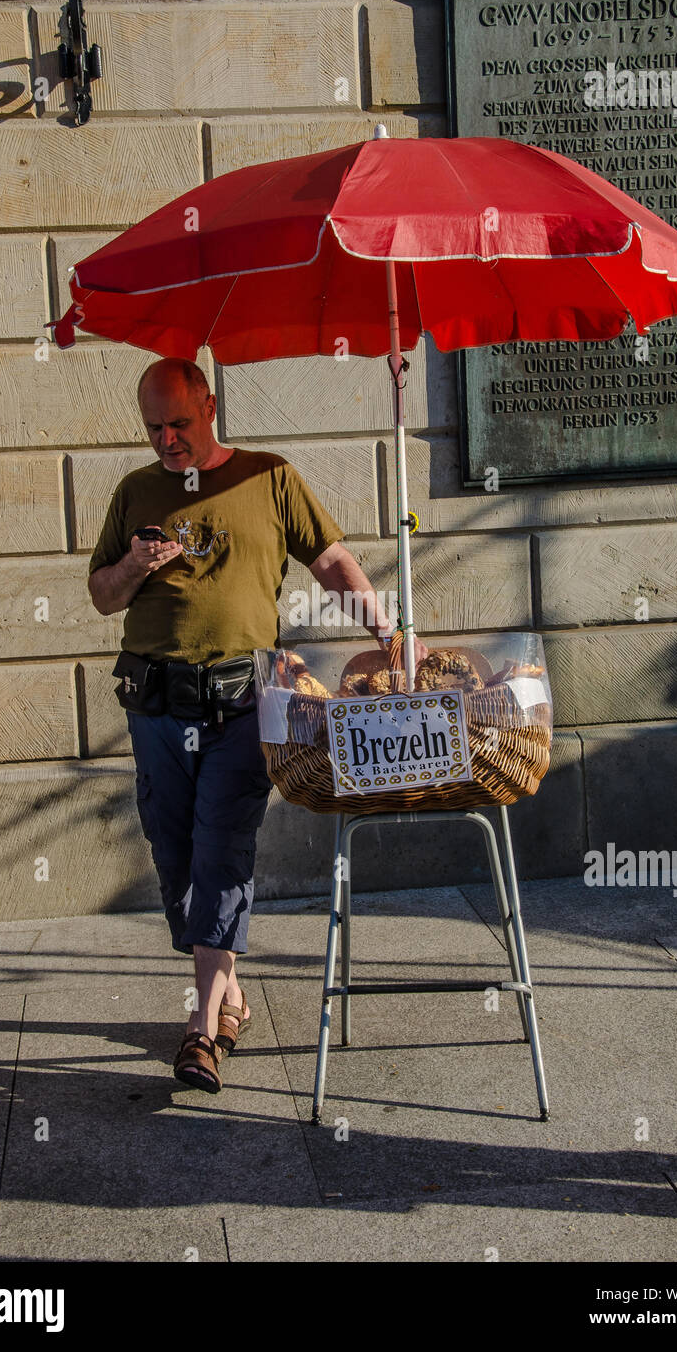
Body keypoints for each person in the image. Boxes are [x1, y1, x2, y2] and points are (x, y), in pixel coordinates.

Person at [87, 357, 426, 1094]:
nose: (167, 439)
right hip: (153, 705)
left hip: (243, 703)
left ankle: (202, 1029)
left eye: (179, 422)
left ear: (210, 406)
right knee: (172, 848)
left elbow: (331, 560)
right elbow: (100, 596)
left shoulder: (267, 477)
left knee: (222, 846)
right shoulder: (135, 491)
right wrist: (135, 566)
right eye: (153, 427)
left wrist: (388, 630)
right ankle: (228, 986)